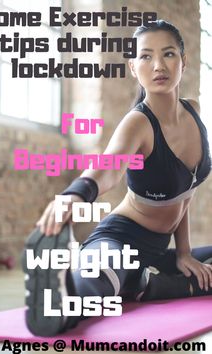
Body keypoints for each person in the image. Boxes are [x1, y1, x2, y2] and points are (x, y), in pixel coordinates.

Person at [23, 20, 212, 336]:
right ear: (133, 67)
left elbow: (185, 194)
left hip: (158, 250)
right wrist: (77, 194)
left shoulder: (194, 112)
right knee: (102, 276)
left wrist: (184, 253)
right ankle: (61, 300)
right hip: (120, 239)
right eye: (145, 57)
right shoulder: (138, 122)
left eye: (168, 54)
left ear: (184, 60)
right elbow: (108, 166)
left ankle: (145, 283)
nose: (158, 66)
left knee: (198, 268)